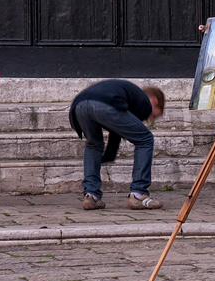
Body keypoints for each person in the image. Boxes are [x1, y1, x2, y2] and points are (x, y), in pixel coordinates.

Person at [69, 80, 166, 210]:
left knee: (94, 144)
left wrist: (109, 154)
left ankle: (91, 196)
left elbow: (116, 131)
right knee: (145, 139)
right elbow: (119, 131)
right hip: (104, 104)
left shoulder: (128, 93)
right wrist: (110, 154)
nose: (147, 119)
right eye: (152, 115)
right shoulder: (144, 101)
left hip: (79, 105)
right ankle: (138, 194)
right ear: (154, 101)